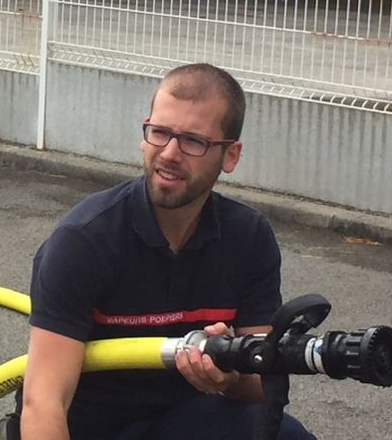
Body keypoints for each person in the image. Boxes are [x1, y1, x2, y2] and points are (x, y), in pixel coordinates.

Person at [20, 63, 315, 440]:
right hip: (93, 428)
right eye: (160, 133)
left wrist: (229, 372)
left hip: (184, 420)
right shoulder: (86, 239)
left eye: (193, 141)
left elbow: (260, 385)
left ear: (231, 156)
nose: (170, 153)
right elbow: (44, 402)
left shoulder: (248, 238)